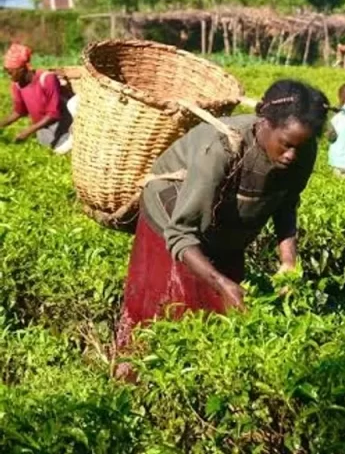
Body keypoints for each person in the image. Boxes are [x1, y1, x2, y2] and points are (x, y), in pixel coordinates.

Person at [114, 79, 329, 378]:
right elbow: (180, 234)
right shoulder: (219, 147)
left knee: (221, 313)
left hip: (226, 225)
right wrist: (221, 282)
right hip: (173, 219)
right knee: (171, 305)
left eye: (300, 146)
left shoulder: (303, 150)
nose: (292, 155)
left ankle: (203, 385)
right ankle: (137, 383)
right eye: (286, 144)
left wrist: (288, 261)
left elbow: (286, 202)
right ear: (263, 123)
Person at [1, 43, 78, 154]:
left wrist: (28, 131)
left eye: (10, 72)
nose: (9, 76)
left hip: (62, 127)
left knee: (66, 151)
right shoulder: (17, 85)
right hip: (43, 130)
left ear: (22, 69)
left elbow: (53, 113)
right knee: (50, 152)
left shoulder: (47, 79)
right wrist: (2, 124)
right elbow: (19, 112)